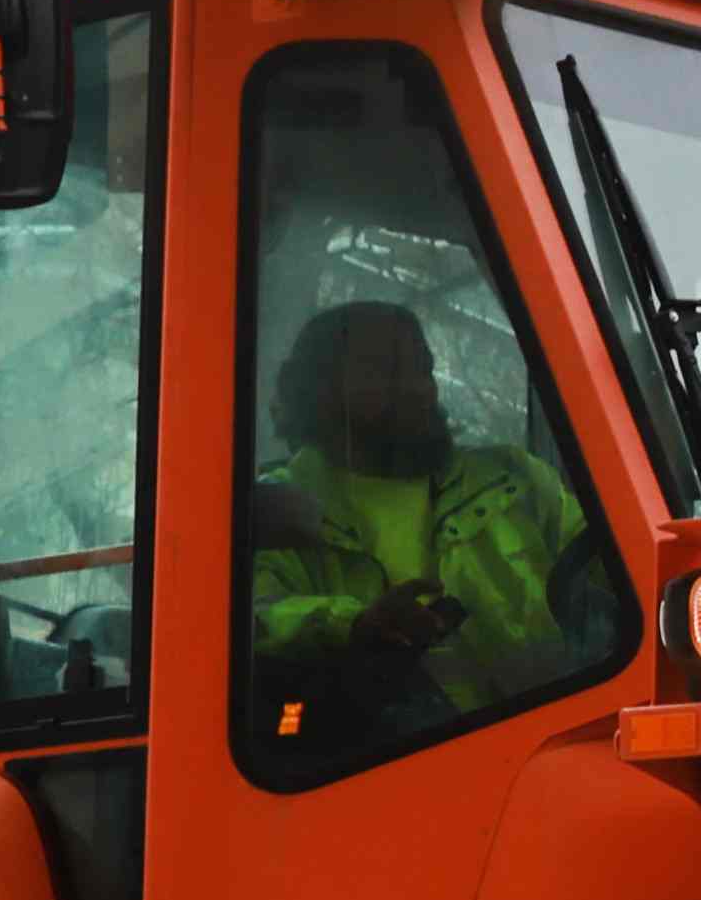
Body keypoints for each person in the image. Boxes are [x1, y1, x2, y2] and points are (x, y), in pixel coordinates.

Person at [242, 300, 591, 762]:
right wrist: (357, 627)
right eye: (384, 371)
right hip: (385, 780)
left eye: (422, 368)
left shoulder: (516, 479)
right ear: (318, 389)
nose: (417, 389)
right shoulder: (273, 510)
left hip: (559, 749)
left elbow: (615, 571)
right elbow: (248, 619)